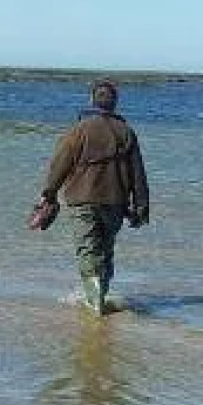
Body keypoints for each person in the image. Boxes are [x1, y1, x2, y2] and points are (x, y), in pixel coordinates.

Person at [36, 79, 150, 315]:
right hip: (116, 201)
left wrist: (49, 193)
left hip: (82, 199)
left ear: (91, 100)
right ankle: (100, 295)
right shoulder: (126, 132)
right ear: (115, 103)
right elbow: (138, 173)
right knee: (106, 249)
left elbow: (60, 164)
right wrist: (141, 207)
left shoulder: (79, 130)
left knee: (88, 248)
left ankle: (94, 298)